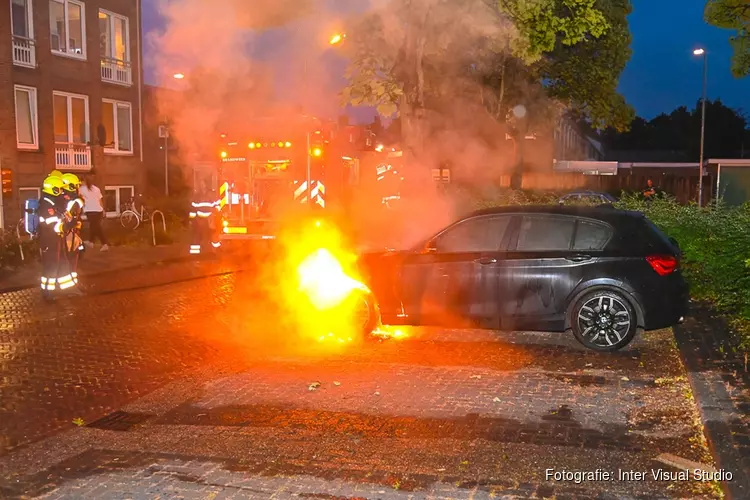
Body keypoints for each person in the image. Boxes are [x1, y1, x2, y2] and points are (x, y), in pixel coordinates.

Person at [38, 176, 80, 300]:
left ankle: (68, 288)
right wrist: (69, 225)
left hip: (56, 239)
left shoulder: (52, 202)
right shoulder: (46, 205)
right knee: (50, 266)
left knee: (62, 263)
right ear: (53, 189)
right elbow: (54, 226)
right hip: (49, 239)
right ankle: (47, 293)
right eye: (60, 189)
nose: (62, 192)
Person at [61, 173, 85, 285]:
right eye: (76, 186)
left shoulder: (74, 202)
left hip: (70, 234)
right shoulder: (68, 200)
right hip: (68, 234)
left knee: (71, 258)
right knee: (69, 259)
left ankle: (71, 284)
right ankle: (70, 284)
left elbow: (70, 218)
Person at [78, 174, 109, 251]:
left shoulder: (81, 189)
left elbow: (79, 199)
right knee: (94, 226)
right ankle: (91, 242)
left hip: (90, 211)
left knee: (97, 228)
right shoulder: (96, 189)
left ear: (83, 181)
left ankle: (105, 244)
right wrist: (103, 210)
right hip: (99, 211)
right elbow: (100, 200)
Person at [189, 186, 221, 256]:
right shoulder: (197, 196)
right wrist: (193, 220)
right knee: (198, 236)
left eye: (203, 184)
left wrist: (216, 216)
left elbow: (217, 206)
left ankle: (214, 252)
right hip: (200, 220)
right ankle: (196, 254)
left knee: (212, 235)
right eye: (201, 185)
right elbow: (193, 209)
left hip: (209, 219)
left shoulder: (211, 195)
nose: (202, 187)